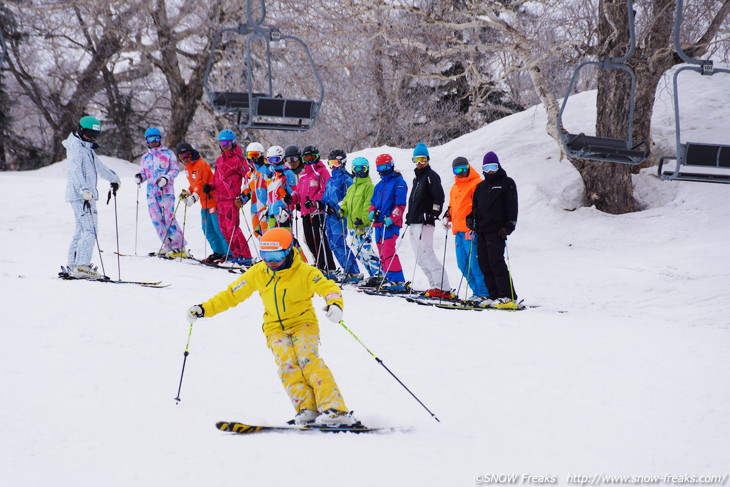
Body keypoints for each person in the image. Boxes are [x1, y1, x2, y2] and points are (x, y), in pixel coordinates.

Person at [186, 227, 358, 427]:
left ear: (288, 251)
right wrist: (204, 309)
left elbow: (329, 288)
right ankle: (307, 409)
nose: (271, 261)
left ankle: (336, 410)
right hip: (274, 328)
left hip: (303, 323)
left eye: (276, 255)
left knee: (308, 360)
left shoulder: (305, 272)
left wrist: (335, 304)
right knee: (287, 365)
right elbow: (232, 294)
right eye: (266, 255)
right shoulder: (258, 272)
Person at [64, 116, 121, 279]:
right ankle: (81, 266)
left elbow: (99, 166)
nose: (92, 138)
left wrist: (114, 179)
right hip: (82, 195)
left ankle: (73, 265)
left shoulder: (85, 147)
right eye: (89, 134)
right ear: (81, 130)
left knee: (82, 230)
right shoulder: (76, 147)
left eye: (95, 135)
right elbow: (74, 171)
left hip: (83, 195)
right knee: (90, 230)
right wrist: (84, 190)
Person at [467, 151, 518, 309]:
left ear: (498, 166)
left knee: (496, 262)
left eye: (493, 167)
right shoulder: (481, 187)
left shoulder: (506, 183)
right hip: (481, 230)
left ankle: (507, 295)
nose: (490, 171)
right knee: (484, 263)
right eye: (487, 168)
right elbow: (476, 207)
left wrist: (508, 226)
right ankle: (494, 294)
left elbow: (512, 207)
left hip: (497, 230)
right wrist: (470, 218)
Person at [405, 143, 452, 298]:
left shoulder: (432, 176)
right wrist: (409, 215)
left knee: (427, 254)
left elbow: (439, 197)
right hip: (414, 221)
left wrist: (432, 214)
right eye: (416, 159)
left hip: (425, 222)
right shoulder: (416, 179)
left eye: (422, 159)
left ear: (428, 159)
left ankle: (443, 287)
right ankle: (434, 286)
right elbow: (414, 200)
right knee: (419, 257)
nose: (419, 162)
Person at [203, 130, 254, 266]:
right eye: (222, 143)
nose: (225, 145)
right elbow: (217, 179)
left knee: (233, 228)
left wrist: (244, 195)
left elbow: (249, 177)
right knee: (223, 228)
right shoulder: (219, 160)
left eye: (227, 142)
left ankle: (246, 256)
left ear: (233, 142)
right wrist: (210, 186)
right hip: (220, 199)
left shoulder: (239, 160)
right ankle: (236, 254)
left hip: (232, 199)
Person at [443, 157, 490, 304]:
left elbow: (481, 205)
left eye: (463, 169)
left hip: (470, 230)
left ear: (468, 168)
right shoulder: (455, 187)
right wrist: (447, 215)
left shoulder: (477, 184)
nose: (461, 173)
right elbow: (452, 206)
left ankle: (483, 293)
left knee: (475, 263)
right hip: (458, 231)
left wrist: (475, 220)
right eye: (457, 170)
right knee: (462, 264)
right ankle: (476, 292)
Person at [134, 127, 187, 257]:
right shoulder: (146, 157)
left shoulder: (168, 154)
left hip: (166, 191)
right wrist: (140, 177)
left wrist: (166, 178)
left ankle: (178, 246)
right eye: (151, 139)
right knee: (156, 219)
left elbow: (175, 170)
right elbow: (144, 173)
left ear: (160, 139)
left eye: (156, 138)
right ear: (147, 140)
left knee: (168, 218)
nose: (154, 141)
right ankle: (167, 244)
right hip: (152, 193)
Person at [176, 142, 228, 263]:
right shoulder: (188, 167)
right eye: (182, 157)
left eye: (187, 155)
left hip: (213, 202)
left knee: (218, 228)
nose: (185, 159)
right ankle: (218, 252)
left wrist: (193, 197)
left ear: (192, 153)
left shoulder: (201, 165)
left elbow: (200, 184)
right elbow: (193, 185)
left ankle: (228, 253)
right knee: (207, 229)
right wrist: (187, 192)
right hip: (204, 204)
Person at [339, 156, 383, 285]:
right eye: (356, 169)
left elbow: (368, 204)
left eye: (362, 169)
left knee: (366, 250)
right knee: (357, 251)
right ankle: (372, 275)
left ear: (367, 170)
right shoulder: (352, 188)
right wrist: (343, 210)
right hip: (352, 226)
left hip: (363, 225)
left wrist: (364, 220)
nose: (359, 172)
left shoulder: (369, 186)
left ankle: (379, 274)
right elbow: (346, 202)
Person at [294, 145, 337, 275]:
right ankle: (320, 263)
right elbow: (298, 191)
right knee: (308, 240)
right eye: (306, 158)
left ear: (317, 157)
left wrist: (316, 201)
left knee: (320, 239)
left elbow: (326, 189)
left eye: (312, 157)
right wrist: (292, 199)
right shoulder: (303, 175)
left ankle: (328, 266)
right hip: (305, 212)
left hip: (317, 211)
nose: (309, 160)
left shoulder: (322, 171)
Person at [369, 153, 408, 291]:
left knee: (388, 250)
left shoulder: (399, 182)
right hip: (378, 224)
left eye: (386, 166)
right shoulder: (378, 186)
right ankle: (388, 277)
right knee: (381, 251)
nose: (384, 170)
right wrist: (372, 211)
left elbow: (400, 205)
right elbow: (373, 203)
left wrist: (392, 217)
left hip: (391, 224)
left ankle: (397, 280)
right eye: (380, 167)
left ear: (392, 165)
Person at [321, 149, 359, 282]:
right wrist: (320, 204)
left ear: (343, 162)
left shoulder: (346, 178)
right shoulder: (331, 179)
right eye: (331, 163)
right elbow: (326, 196)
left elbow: (350, 197)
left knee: (339, 243)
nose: (333, 166)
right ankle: (347, 270)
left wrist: (336, 208)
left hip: (339, 216)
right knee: (332, 244)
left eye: (336, 163)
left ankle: (353, 272)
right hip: (329, 216)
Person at [242, 141, 270, 238]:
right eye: (250, 155)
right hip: (255, 209)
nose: (252, 158)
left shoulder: (267, 169)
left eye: (255, 155)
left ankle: (272, 252)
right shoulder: (249, 174)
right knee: (257, 233)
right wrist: (242, 199)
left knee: (268, 233)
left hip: (266, 208)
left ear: (261, 155)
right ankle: (264, 252)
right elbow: (247, 191)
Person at [265, 145, 297, 231]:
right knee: (272, 238)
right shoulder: (271, 175)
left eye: (276, 159)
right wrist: (268, 208)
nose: (274, 163)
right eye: (271, 160)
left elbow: (293, 192)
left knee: (285, 237)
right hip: (272, 211)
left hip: (284, 212)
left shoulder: (288, 173)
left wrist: (289, 203)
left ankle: (295, 245)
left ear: (282, 158)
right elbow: (271, 194)